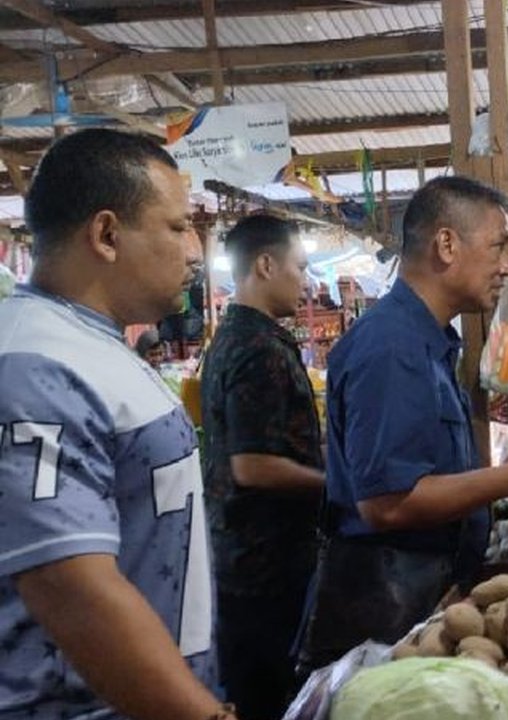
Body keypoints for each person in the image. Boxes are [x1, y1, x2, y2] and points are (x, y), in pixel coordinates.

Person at [0, 129, 232, 719]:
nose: (195, 252)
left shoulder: (89, 345)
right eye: (178, 227)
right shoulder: (38, 369)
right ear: (106, 234)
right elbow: (69, 586)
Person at [299, 176, 508, 669]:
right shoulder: (392, 349)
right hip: (380, 613)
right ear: (446, 244)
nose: (507, 268)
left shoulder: (429, 342)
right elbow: (387, 504)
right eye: (498, 247)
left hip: (417, 595)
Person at [199, 214, 324, 720]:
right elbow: (252, 465)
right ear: (266, 265)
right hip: (265, 563)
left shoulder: (233, 337)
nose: (306, 280)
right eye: (300, 266)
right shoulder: (258, 349)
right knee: (270, 696)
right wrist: (333, 484)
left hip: (242, 555)